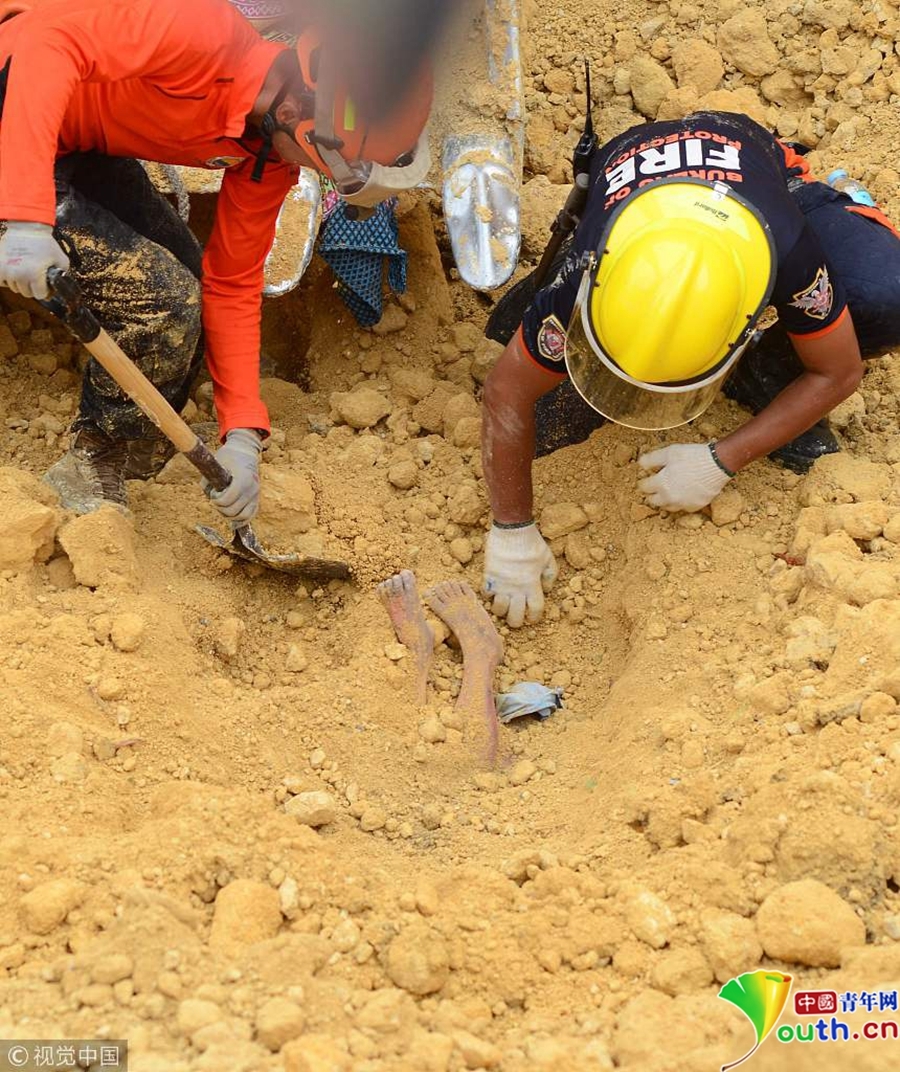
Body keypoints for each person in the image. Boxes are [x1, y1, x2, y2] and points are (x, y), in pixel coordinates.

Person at [0, 0, 432, 517]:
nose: (317, 175)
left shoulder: (266, 158)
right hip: (14, 102)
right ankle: (95, 463)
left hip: (69, 144)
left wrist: (243, 431)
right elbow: (43, 42)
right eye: (330, 167)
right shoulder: (199, 29)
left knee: (190, 277)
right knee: (161, 297)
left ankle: (143, 443)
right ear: (296, 116)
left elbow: (232, 283)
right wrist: (25, 216)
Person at [480, 110, 900, 628]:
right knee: (544, 424)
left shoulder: (787, 252)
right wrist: (511, 531)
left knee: (887, 295)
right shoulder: (582, 281)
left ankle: (762, 371)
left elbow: (839, 372)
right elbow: (505, 394)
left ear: (746, 323)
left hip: (760, 172)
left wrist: (722, 459)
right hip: (631, 184)